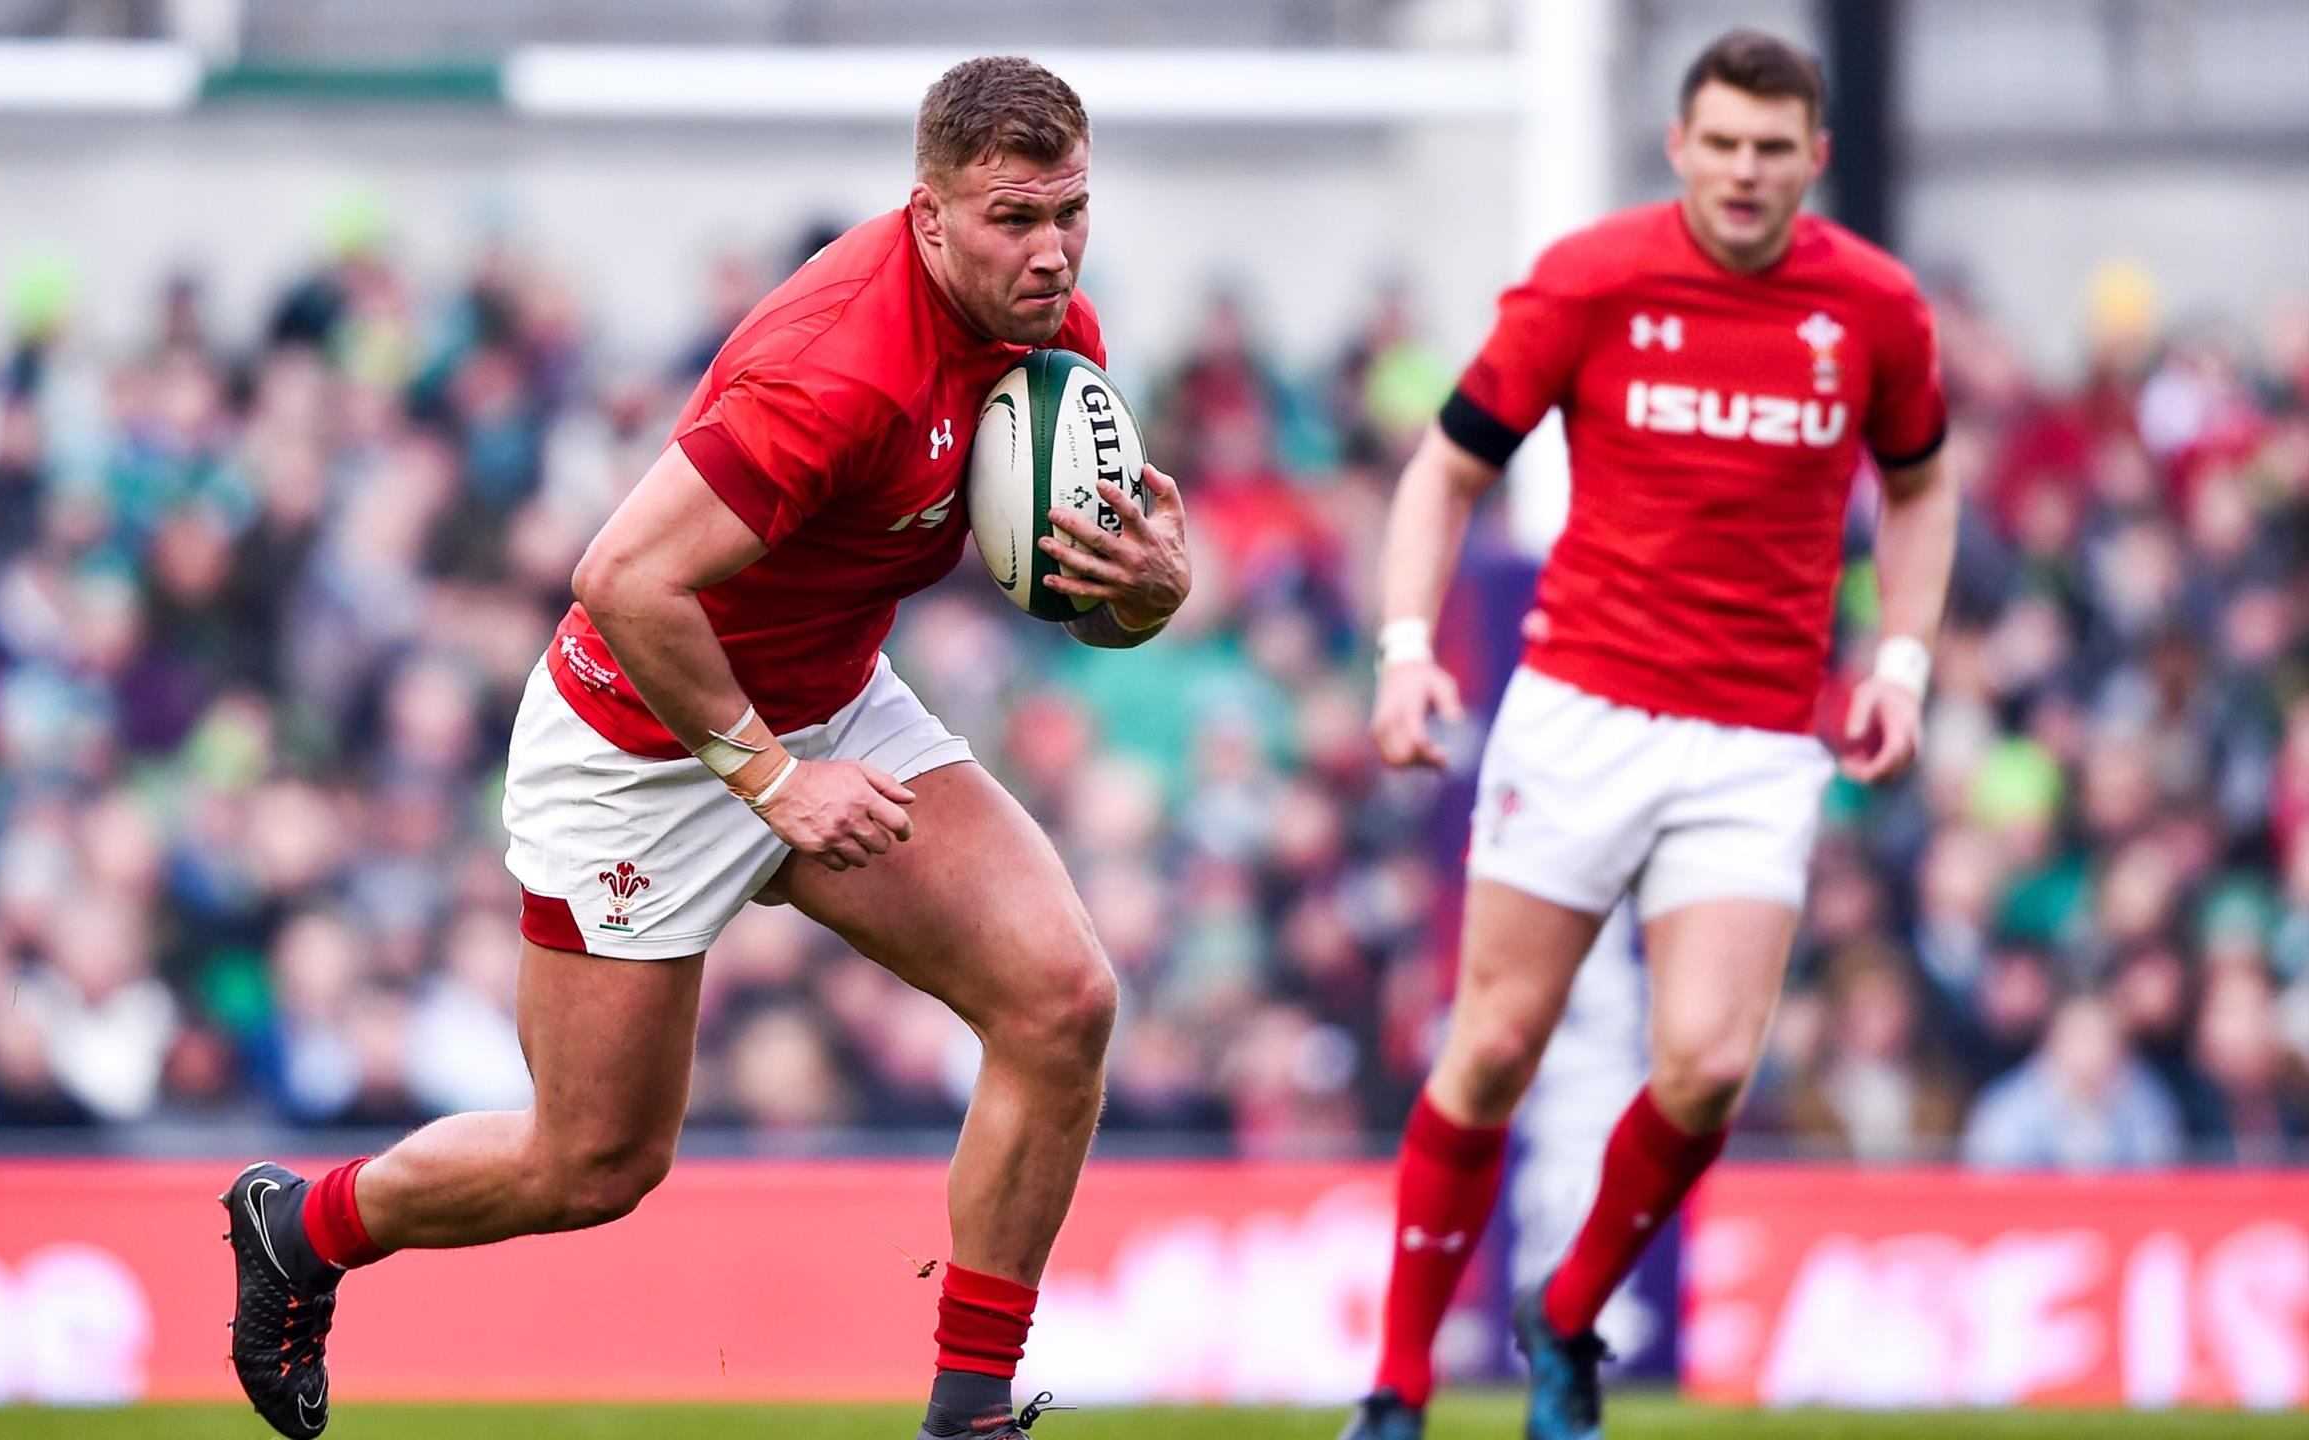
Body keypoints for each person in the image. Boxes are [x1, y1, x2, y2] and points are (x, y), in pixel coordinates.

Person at [219, 56, 1192, 1440]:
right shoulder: (841, 362)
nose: (1051, 254)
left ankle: (968, 1413)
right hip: (642, 739)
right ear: (928, 216)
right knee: (594, 1163)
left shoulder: (1053, 341)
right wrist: (774, 781)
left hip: (829, 706)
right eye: (1012, 220)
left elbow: (1090, 613)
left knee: (1062, 1002)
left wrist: (1147, 594)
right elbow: (619, 577)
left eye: (1070, 213)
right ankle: (298, 1228)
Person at [1342, 30, 1954, 1440]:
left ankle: (1566, 1316)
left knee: (1707, 1066)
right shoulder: (1593, 279)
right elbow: (1444, 473)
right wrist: (1405, 653)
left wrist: (1905, 665)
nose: (1746, 171)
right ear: (1679, 149)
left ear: (1817, 158)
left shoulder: (1873, 308)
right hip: (1581, 713)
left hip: (1753, 740)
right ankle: (1398, 1381)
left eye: (1772, 147)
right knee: (1494, 1047)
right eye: (1722, 144)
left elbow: (1923, 488)